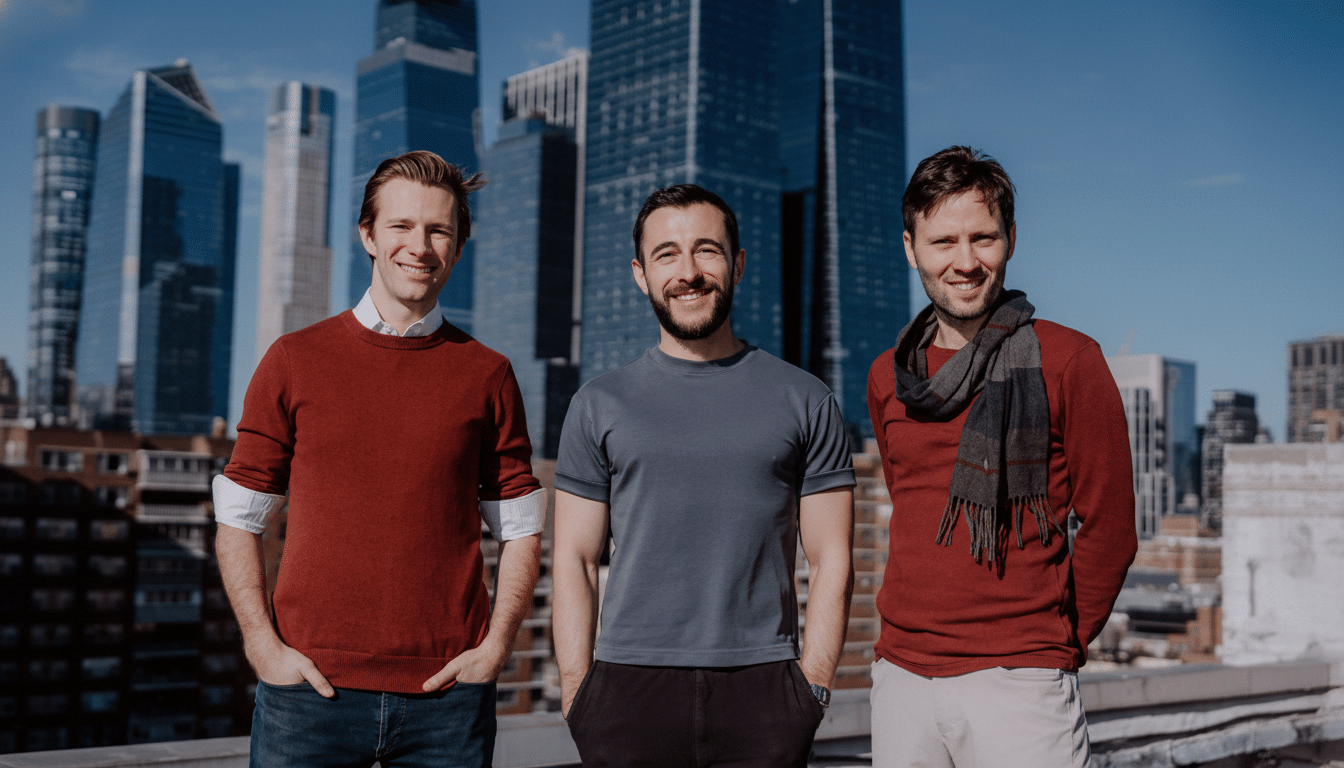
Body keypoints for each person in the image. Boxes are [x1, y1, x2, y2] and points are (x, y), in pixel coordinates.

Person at [214, 150, 545, 767]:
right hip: (307, 694)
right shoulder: (293, 359)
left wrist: (497, 647)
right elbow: (238, 514)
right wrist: (261, 645)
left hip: (448, 700)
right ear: (367, 235)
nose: (419, 246)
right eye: (401, 226)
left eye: (439, 230)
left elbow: (521, 526)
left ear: (459, 246)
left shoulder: (489, 375)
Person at [552, 184, 856, 768]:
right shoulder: (597, 404)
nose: (688, 272)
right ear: (641, 275)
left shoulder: (807, 399)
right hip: (626, 690)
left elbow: (832, 559)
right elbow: (575, 559)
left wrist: (811, 690)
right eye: (666, 254)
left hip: (765, 688)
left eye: (706, 250)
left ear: (737, 265)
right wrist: (577, 694)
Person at [866, 146, 1137, 767]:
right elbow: (911, 507)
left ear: (1011, 238)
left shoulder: (1069, 360)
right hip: (901, 679)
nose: (965, 262)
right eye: (943, 242)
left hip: (1022, 681)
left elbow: (1111, 529)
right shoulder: (888, 376)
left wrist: (1055, 645)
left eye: (982, 238)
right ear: (910, 248)